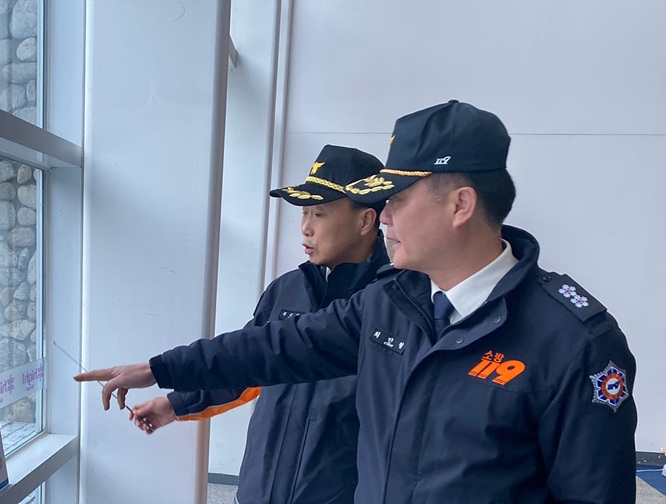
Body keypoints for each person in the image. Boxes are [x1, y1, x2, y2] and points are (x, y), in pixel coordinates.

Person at [75, 100, 637, 503]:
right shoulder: (389, 305)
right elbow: (271, 348)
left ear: (460, 205)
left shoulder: (575, 343)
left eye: (396, 199)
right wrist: (160, 369)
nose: (383, 216)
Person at [129, 144, 390, 504]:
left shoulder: (393, 305)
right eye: (304, 213)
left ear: (365, 220)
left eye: (319, 214)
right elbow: (244, 367)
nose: (305, 228)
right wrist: (174, 404)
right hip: (258, 491)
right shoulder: (286, 290)